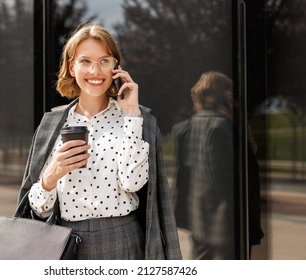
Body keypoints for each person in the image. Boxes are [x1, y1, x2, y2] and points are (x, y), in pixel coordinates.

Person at [15, 22, 182, 260]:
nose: (96, 71)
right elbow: (36, 211)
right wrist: (50, 177)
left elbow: (133, 183)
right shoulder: (51, 124)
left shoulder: (137, 119)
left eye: (104, 60)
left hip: (124, 243)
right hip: (65, 244)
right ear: (72, 67)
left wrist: (132, 115)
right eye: (85, 61)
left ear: (116, 66)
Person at [172, 71, 263, 259]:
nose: (234, 97)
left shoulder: (187, 127)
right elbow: (227, 182)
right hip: (225, 228)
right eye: (230, 93)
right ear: (219, 95)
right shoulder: (222, 127)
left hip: (198, 221)